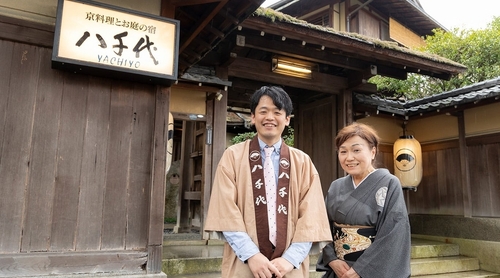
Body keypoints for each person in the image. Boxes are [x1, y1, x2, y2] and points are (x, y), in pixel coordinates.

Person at [204, 86, 332, 278]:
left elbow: (311, 219)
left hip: (289, 268)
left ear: (287, 119)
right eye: (263, 111)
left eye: (277, 112)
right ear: (253, 117)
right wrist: (252, 255)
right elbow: (225, 213)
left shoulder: (303, 161)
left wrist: (289, 259)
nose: (270, 117)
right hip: (245, 263)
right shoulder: (233, 156)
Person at [316, 122, 411, 278]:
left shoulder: (389, 183)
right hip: (339, 270)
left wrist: (361, 269)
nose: (349, 157)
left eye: (356, 150)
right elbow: (323, 226)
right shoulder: (336, 186)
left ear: (373, 152)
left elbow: (394, 232)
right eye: (343, 151)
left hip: (372, 270)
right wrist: (332, 259)